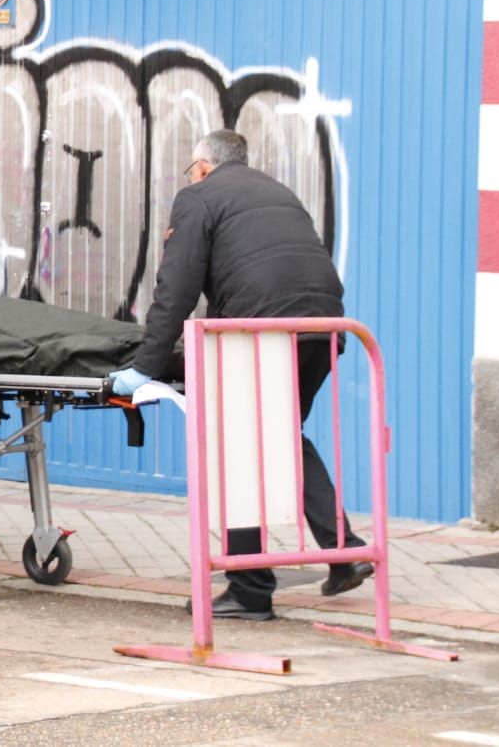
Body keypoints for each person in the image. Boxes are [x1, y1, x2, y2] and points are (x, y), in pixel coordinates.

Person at [109, 129, 371, 621]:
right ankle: (343, 550)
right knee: (282, 437)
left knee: (236, 450)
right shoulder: (279, 192)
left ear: (204, 166)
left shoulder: (199, 197)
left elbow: (176, 288)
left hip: (261, 334)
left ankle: (251, 590)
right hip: (325, 327)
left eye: (193, 168)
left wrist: (145, 367)